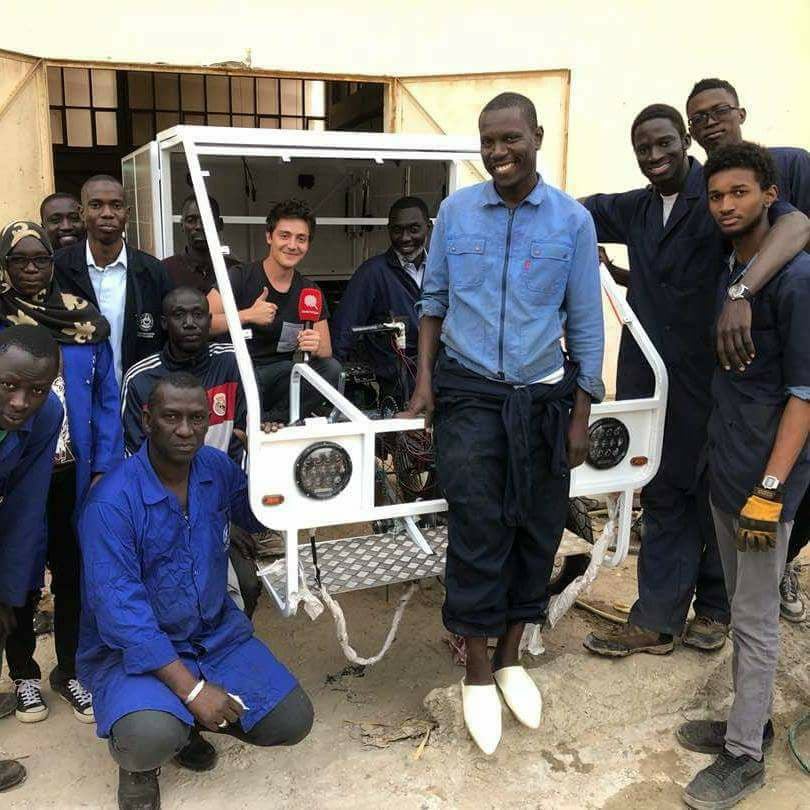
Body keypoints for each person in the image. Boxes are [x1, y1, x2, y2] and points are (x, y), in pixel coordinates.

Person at [403, 92, 604, 755]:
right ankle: (479, 667)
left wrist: (581, 413)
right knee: (478, 520)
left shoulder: (572, 223)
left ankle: (514, 651)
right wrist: (426, 383)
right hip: (469, 392)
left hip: (544, 398)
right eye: (488, 141)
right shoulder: (457, 213)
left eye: (510, 139)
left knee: (538, 524)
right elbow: (432, 302)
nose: (498, 152)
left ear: (537, 137)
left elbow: (585, 322)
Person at [581, 105, 810, 659]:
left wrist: (742, 294)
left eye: (664, 144)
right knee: (660, 492)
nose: (655, 157)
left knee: (717, 495)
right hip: (651, 378)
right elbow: (571, 210)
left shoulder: (714, 200)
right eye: (643, 149)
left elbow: (797, 225)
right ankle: (656, 620)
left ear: (685, 143)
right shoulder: (634, 206)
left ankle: (714, 610)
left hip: (715, 375)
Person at [77, 372, 313, 810]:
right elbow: (123, 617)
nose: (185, 430)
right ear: (147, 420)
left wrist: (271, 459)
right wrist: (192, 691)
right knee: (149, 735)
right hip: (136, 653)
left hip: (213, 635)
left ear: (209, 422)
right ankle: (142, 762)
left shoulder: (215, 467)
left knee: (292, 720)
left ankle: (187, 723)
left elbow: (260, 515)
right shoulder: (111, 501)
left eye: (196, 419)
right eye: (171, 417)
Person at [678, 142, 810, 810]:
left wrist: (772, 490)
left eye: (739, 193)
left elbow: (806, 394)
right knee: (740, 609)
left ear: (769, 194)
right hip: (727, 468)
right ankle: (745, 721)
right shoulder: (733, 269)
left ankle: (745, 758)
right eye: (717, 195)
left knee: (756, 620)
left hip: (765, 480)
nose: (726, 206)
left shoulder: (795, 278)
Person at [686, 77, 810, 623]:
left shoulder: (785, 164)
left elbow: (798, 224)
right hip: (745, 387)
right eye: (699, 118)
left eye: (719, 111)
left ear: (741, 112)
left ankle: (785, 568)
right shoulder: (702, 190)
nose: (710, 123)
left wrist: (744, 291)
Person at [0, 220, 123, 725]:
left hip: (77, 471)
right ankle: (24, 673)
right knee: (21, 572)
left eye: (41, 260)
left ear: (54, 263)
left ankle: (70, 669)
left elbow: (106, 398)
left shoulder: (81, 322)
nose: (31, 270)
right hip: (14, 476)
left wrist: (106, 467)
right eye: (19, 261)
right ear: (5, 267)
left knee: (75, 573)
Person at [121, 286, 261, 617]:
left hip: (219, 504)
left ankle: (221, 656)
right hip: (160, 513)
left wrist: (228, 516)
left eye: (198, 315)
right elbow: (134, 461)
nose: (189, 323)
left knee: (247, 587)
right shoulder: (141, 379)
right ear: (163, 322)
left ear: (210, 319)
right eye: (179, 315)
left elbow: (243, 440)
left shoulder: (232, 362)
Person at [208, 199, 341, 420]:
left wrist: (314, 344)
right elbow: (202, 322)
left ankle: (275, 421)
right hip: (238, 374)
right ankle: (255, 421)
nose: (292, 245)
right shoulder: (240, 276)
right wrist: (246, 315)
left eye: (301, 239)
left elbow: (326, 350)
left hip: (281, 378)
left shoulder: (309, 290)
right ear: (269, 236)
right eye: (284, 235)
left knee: (331, 369)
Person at [0, 324, 62, 793]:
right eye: (9, 386)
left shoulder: (46, 416)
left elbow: (24, 508)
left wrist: (9, 595)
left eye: (36, 389)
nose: (21, 402)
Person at [53, 175, 174, 386]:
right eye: (96, 205)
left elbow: (167, 338)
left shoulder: (153, 272)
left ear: (127, 214)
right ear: (82, 213)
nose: (107, 214)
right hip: (76, 396)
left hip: (138, 398)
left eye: (116, 205)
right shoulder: (58, 269)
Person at [331, 195, 431, 402]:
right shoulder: (371, 273)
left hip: (441, 374)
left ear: (428, 227)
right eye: (397, 230)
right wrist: (329, 385)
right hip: (398, 380)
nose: (405, 237)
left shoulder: (442, 269)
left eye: (414, 229)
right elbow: (343, 332)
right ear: (389, 230)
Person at [162, 194, 240, 294]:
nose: (199, 226)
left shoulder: (236, 272)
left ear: (220, 224)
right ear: (182, 225)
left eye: (207, 220)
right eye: (191, 220)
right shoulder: (164, 271)